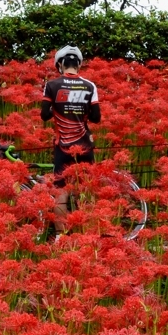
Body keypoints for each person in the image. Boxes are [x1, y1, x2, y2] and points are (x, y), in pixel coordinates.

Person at [41, 45, 100, 233]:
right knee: (87, 191)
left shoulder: (52, 85)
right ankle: (89, 233)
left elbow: (44, 114)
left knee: (61, 192)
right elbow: (96, 117)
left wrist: (59, 108)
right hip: (85, 145)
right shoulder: (90, 86)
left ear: (60, 64)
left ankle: (61, 236)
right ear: (78, 65)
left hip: (63, 146)